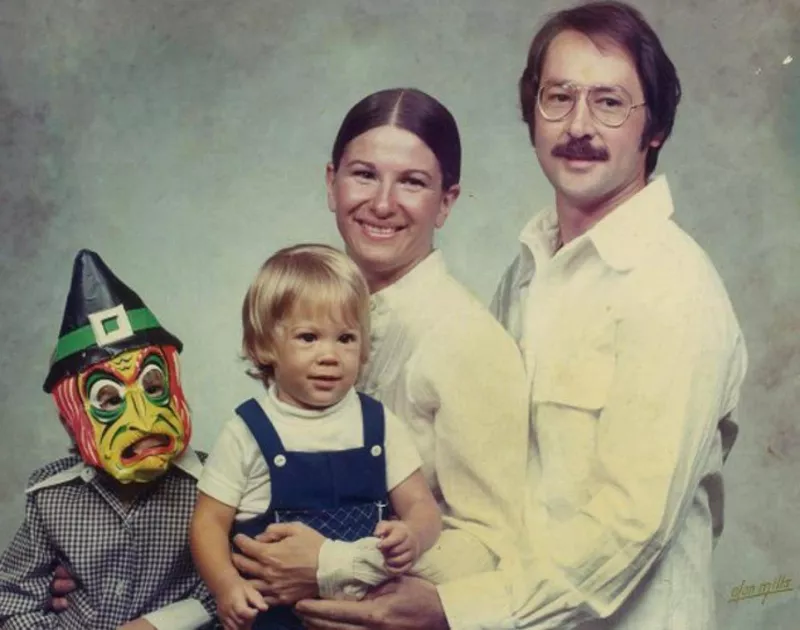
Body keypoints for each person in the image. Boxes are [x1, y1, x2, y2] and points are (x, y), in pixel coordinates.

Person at [294, 2, 747, 629]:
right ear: (532, 113)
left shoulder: (671, 288)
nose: (578, 125)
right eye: (559, 97)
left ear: (655, 129)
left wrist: (457, 609)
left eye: (610, 102)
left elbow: (630, 527)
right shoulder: (532, 271)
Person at [226, 88, 531, 622]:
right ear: (331, 183)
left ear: (447, 202)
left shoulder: (466, 339)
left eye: (412, 182)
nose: (383, 203)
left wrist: (336, 566)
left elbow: (494, 542)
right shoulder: (310, 308)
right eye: (364, 174)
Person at [189, 244, 442, 630]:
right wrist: (226, 586)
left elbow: (422, 507)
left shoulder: (378, 423)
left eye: (345, 338)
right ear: (265, 345)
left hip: (363, 618)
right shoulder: (247, 431)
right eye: (309, 338)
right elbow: (208, 524)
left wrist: (413, 535)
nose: (330, 355)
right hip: (275, 620)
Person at [0, 249, 216, 630]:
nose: (143, 419)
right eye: (109, 399)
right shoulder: (50, 498)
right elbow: (14, 599)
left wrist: (157, 625)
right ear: (70, 419)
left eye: (153, 386)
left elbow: (238, 586)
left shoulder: (216, 484)